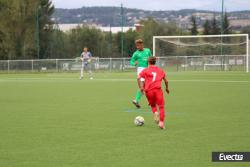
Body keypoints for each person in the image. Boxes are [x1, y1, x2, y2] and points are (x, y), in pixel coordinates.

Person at [138, 57, 170, 129]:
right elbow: (166, 81)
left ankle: (155, 113)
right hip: (158, 90)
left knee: (153, 105)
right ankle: (161, 123)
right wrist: (167, 88)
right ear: (155, 62)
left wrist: (141, 88)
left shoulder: (145, 70)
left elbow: (138, 78)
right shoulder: (160, 70)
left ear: (148, 62)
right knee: (161, 107)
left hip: (148, 91)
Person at [130, 39, 152, 108]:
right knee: (143, 87)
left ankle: (138, 100)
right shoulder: (136, 53)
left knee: (146, 87)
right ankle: (140, 100)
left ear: (142, 45)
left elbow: (151, 58)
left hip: (148, 70)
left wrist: (151, 61)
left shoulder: (148, 50)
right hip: (141, 70)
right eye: (136, 46)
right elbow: (131, 61)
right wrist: (134, 63)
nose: (137, 47)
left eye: (138, 45)